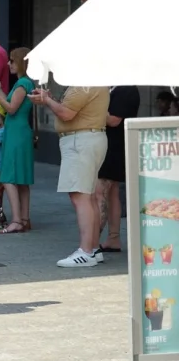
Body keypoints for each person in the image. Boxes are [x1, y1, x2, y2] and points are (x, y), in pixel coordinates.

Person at [28, 85, 109, 267]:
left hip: (79, 141)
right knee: (88, 196)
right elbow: (71, 109)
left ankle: (86, 252)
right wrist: (50, 99)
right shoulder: (93, 82)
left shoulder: (83, 83)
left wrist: (47, 100)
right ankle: (93, 248)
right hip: (88, 138)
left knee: (80, 196)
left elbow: (66, 114)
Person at [0, 48, 35, 234]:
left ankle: (16, 220)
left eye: (12, 60)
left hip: (16, 133)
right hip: (19, 131)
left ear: (21, 62)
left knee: (8, 177)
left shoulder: (22, 83)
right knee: (22, 179)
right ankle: (24, 219)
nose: (9, 63)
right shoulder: (26, 83)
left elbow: (11, 109)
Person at [96, 85, 140, 253]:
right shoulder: (117, 87)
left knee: (100, 193)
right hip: (113, 146)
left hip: (114, 149)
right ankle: (113, 238)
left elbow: (114, 120)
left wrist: (89, 110)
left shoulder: (125, 88)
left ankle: (90, 243)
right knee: (112, 194)